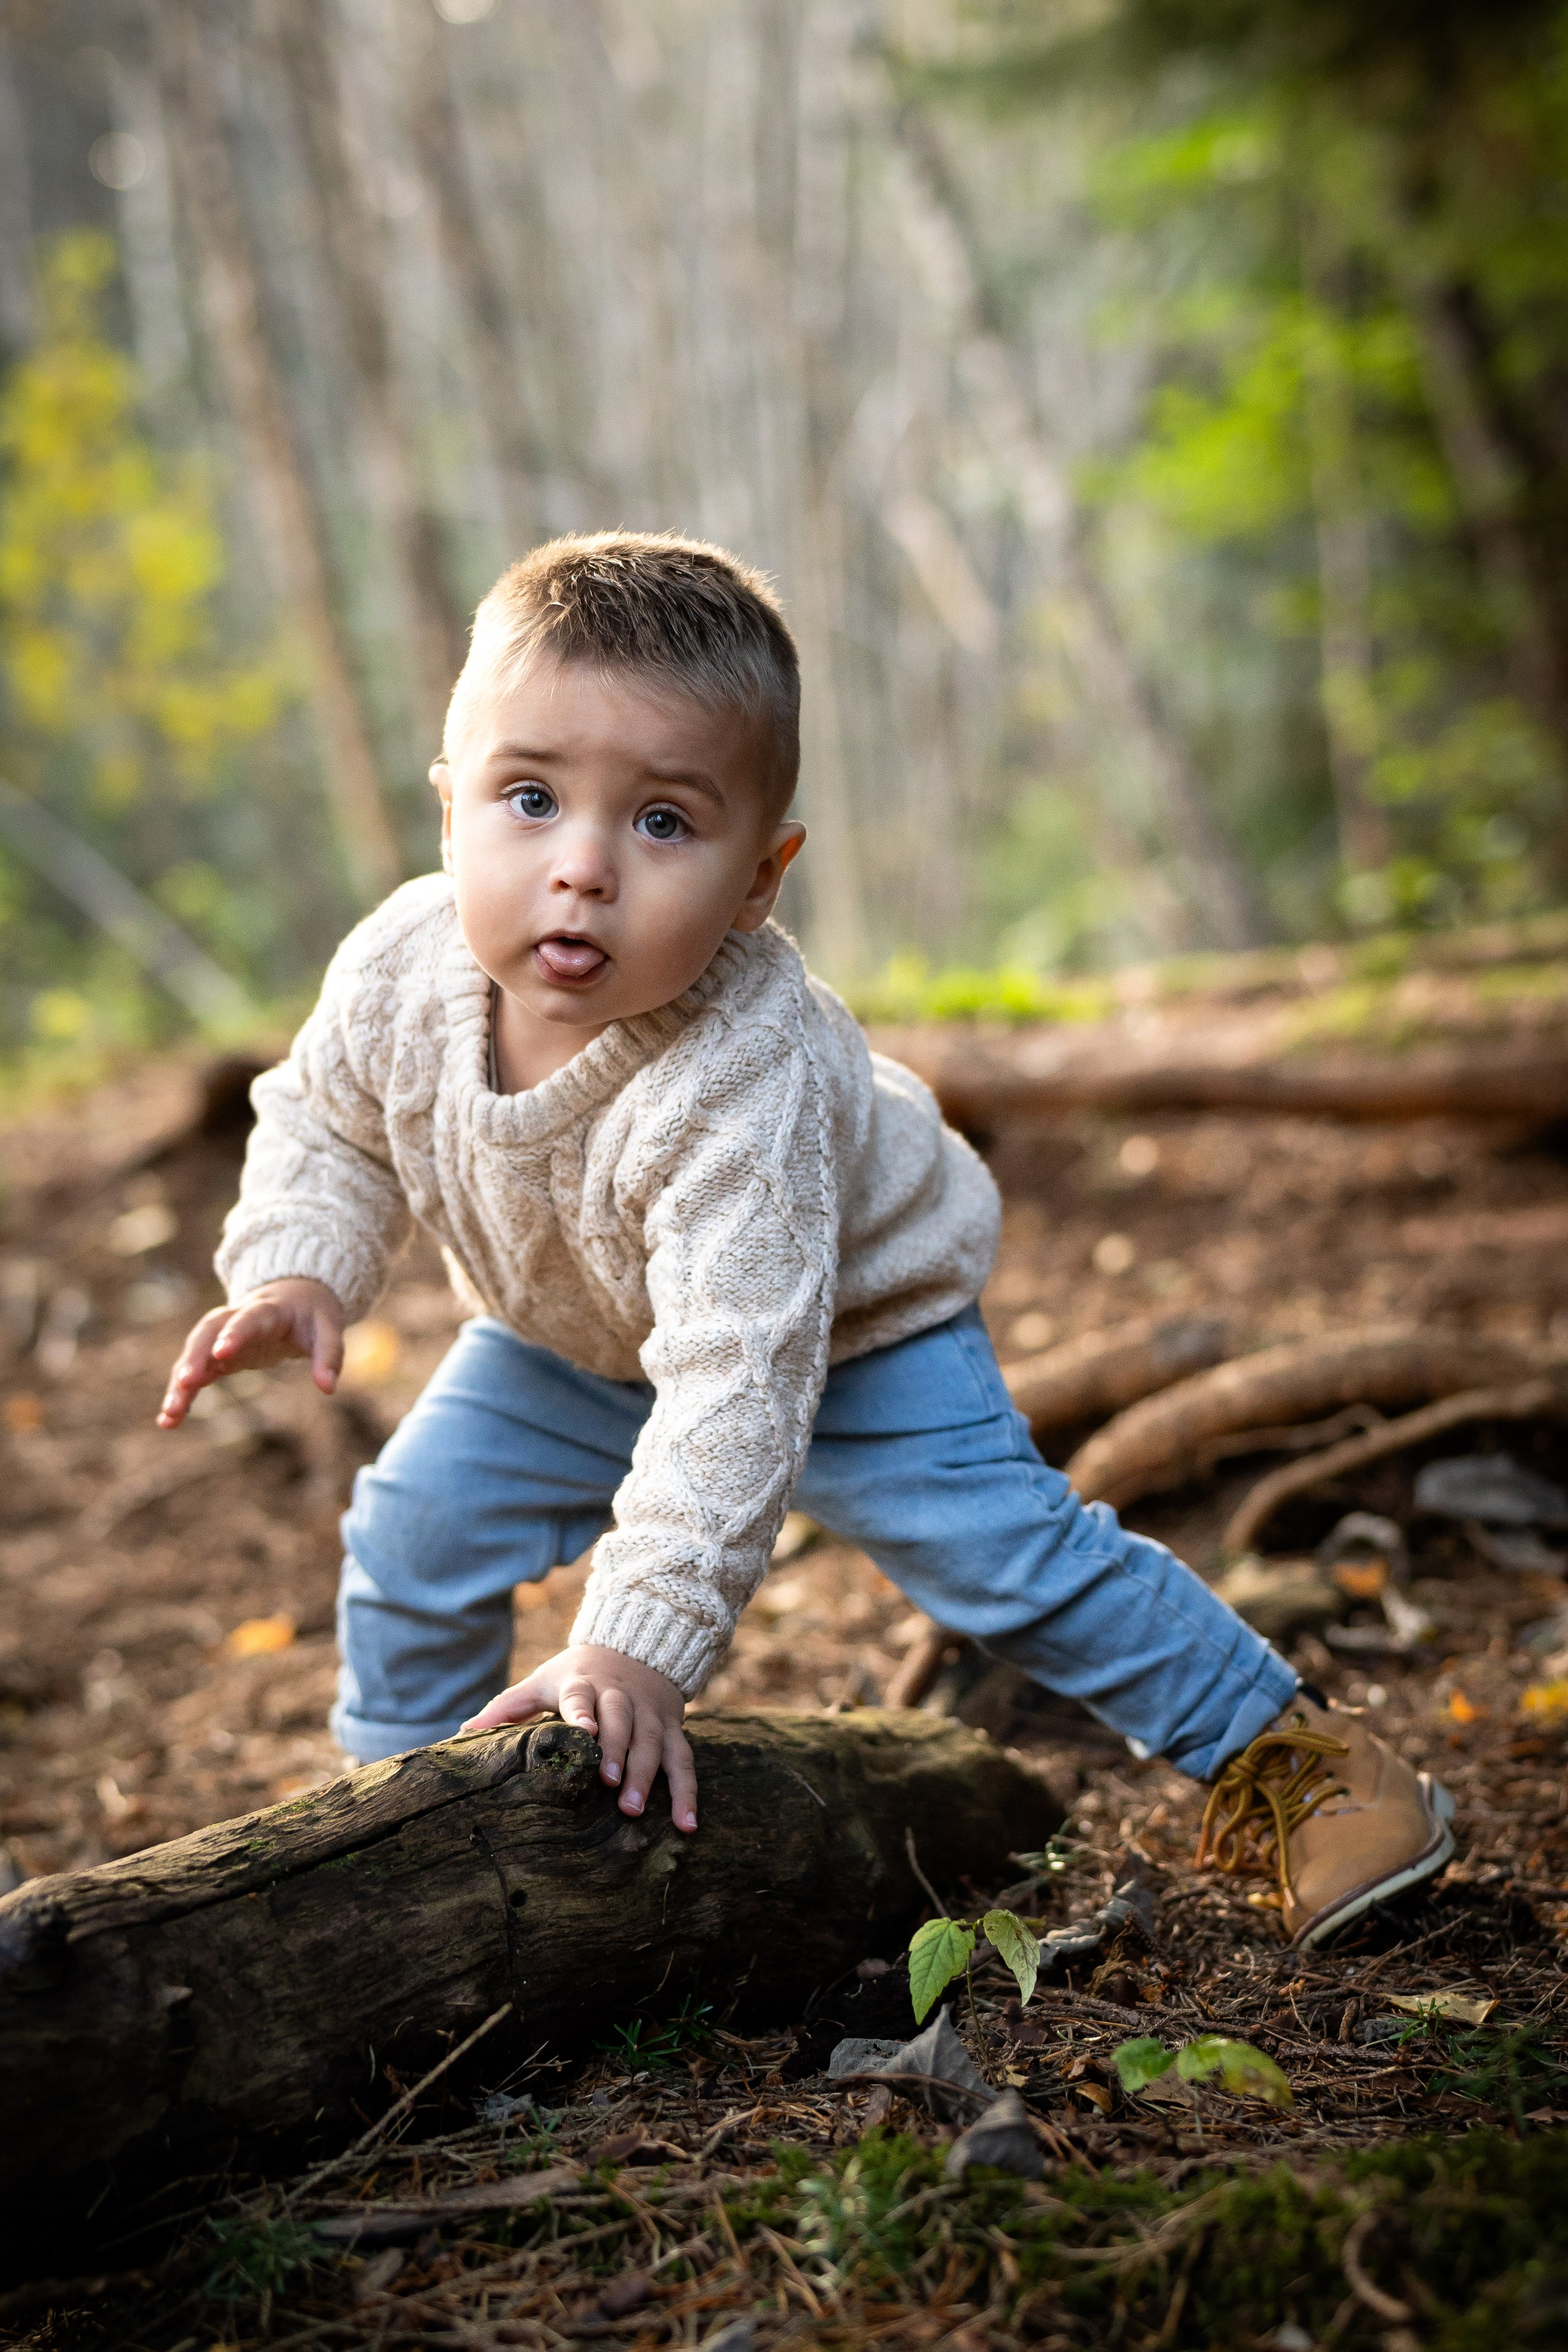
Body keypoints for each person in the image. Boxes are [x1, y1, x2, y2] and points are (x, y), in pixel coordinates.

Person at [157, 532, 1454, 1948]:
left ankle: (1301, 1765)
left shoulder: (738, 1069)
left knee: (1005, 1558)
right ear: (449, 810)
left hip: (839, 1333)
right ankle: (400, 1820)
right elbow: (324, 1120)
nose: (580, 868)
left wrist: (634, 1647)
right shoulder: (398, 968)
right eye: (528, 799)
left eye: (661, 822)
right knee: (412, 1528)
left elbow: (738, 1380)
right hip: (576, 1336)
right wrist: (296, 1263)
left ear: (759, 877)